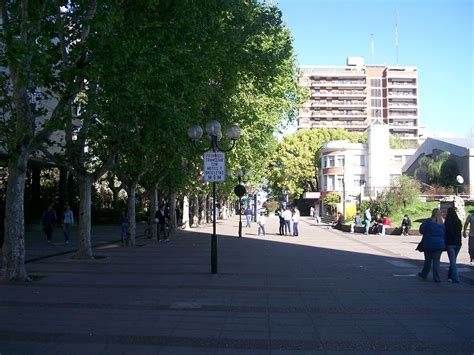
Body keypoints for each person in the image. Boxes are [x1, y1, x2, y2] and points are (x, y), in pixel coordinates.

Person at [418, 208, 445, 283]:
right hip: (439, 245)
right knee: (436, 261)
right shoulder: (441, 223)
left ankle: (424, 274)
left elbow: (421, 230)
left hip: (429, 244)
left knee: (428, 261)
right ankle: (436, 278)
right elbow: (444, 234)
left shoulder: (428, 221)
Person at [444, 207, 462, 283]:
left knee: (452, 261)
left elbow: (445, 232)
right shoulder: (458, 221)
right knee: (453, 260)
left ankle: (456, 278)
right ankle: (450, 275)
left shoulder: (447, 222)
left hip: (450, 243)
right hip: (458, 243)